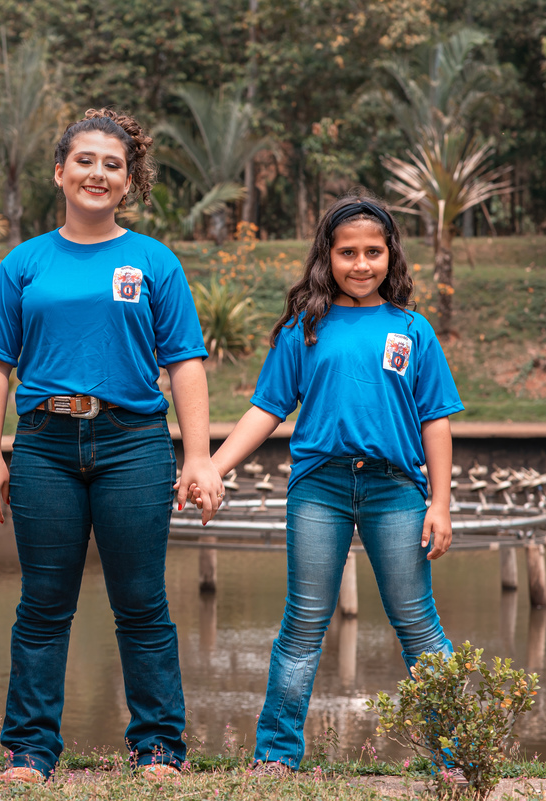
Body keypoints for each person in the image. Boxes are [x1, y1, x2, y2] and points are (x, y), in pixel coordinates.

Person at [0, 108, 224, 784]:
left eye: (113, 164)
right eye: (84, 160)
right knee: (44, 602)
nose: (97, 173)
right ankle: (29, 749)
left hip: (132, 442)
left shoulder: (153, 262)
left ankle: (159, 747)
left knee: (141, 601)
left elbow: (186, 362)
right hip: (45, 445)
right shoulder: (24, 264)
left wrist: (198, 455)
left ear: (128, 180)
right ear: (60, 171)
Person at [197, 192, 461, 774]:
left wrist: (439, 504)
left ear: (391, 255)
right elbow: (266, 410)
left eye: (373, 251)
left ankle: (457, 755)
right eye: (348, 252)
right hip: (319, 489)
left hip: (397, 491)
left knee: (418, 625)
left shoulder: (413, 331)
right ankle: (276, 757)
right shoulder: (303, 329)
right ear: (327, 256)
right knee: (303, 623)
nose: (361, 264)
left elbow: (435, 422)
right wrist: (214, 466)